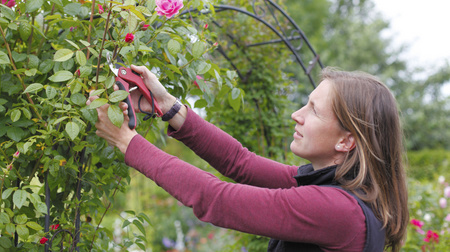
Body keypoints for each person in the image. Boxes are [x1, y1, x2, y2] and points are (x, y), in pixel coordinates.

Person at [87, 65, 409, 252]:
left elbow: (217, 200)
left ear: (346, 140)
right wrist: (167, 105)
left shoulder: (339, 211)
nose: (296, 115)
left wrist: (125, 140)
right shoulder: (335, 187)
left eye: (313, 111)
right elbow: (239, 161)